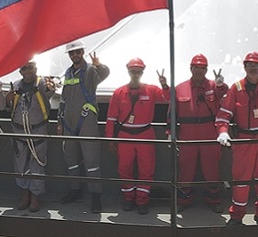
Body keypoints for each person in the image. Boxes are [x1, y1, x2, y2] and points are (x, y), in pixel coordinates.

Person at [215, 51, 258, 226]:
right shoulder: (236, 88)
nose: (253, 68)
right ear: (244, 67)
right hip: (244, 140)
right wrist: (223, 131)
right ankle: (236, 216)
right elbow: (224, 115)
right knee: (241, 180)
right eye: (250, 65)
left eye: (256, 65)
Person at [105, 58, 169, 215]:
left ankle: (142, 201)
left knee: (146, 169)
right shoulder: (119, 93)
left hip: (145, 135)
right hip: (124, 136)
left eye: (138, 71)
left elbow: (167, 98)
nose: (136, 74)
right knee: (124, 168)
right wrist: (110, 138)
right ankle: (128, 198)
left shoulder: (151, 90)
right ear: (128, 71)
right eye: (133, 71)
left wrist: (164, 85)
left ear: (142, 72)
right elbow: (111, 118)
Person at [58, 39, 110, 214]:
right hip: (68, 122)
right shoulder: (68, 73)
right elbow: (63, 99)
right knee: (70, 158)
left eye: (78, 52)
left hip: (86, 120)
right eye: (72, 53)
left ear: (82, 52)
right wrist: (59, 122)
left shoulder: (90, 71)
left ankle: (96, 197)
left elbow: (105, 73)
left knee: (91, 160)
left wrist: (98, 64)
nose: (75, 55)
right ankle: (75, 191)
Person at [171, 54, 228, 213]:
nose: (199, 71)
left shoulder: (213, 86)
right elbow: (172, 113)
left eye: (203, 68)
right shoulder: (180, 88)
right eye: (196, 67)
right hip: (187, 134)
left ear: (206, 70)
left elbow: (224, 92)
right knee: (186, 169)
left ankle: (214, 200)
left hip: (208, 132)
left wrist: (220, 84)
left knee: (211, 168)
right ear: (191, 68)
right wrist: (170, 132)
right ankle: (184, 201)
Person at [0, 60, 54, 212]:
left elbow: (50, 92)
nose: (27, 71)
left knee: (37, 165)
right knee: (21, 165)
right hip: (19, 132)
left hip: (38, 132)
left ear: (35, 68)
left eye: (30, 68)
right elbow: (9, 107)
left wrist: (51, 87)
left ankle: (35, 196)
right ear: (20, 71)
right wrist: (8, 100)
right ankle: (25, 195)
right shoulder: (16, 86)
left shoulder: (42, 84)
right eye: (24, 68)